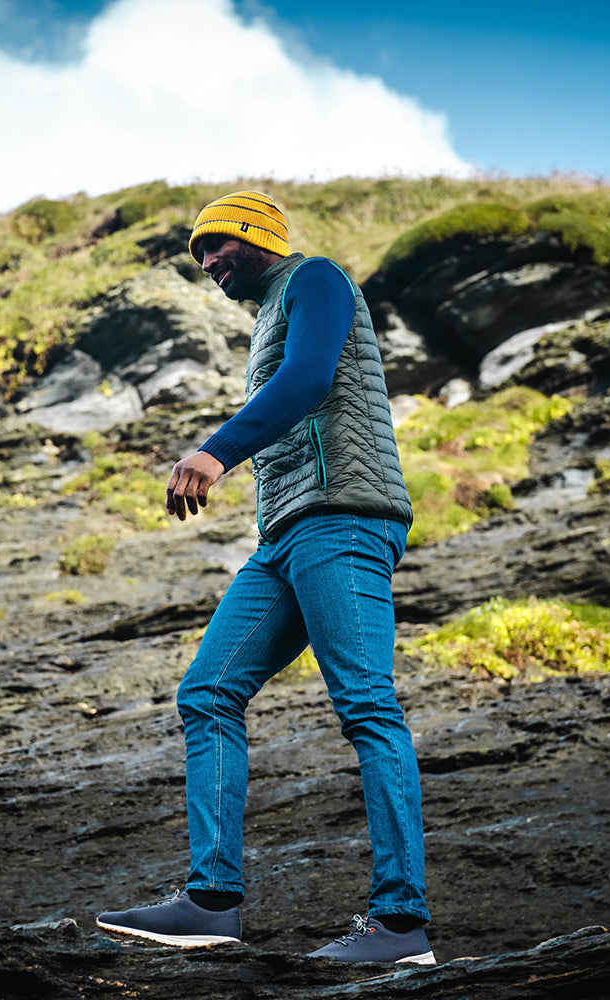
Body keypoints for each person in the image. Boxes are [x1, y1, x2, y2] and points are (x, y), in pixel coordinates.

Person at [96, 191, 434, 965]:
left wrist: (215, 451)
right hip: (284, 538)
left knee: (367, 704)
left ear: (256, 236)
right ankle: (210, 903)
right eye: (198, 255)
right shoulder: (267, 315)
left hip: (344, 520)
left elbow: (309, 377)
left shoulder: (316, 279)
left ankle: (400, 925)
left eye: (215, 245)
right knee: (207, 692)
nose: (207, 263)